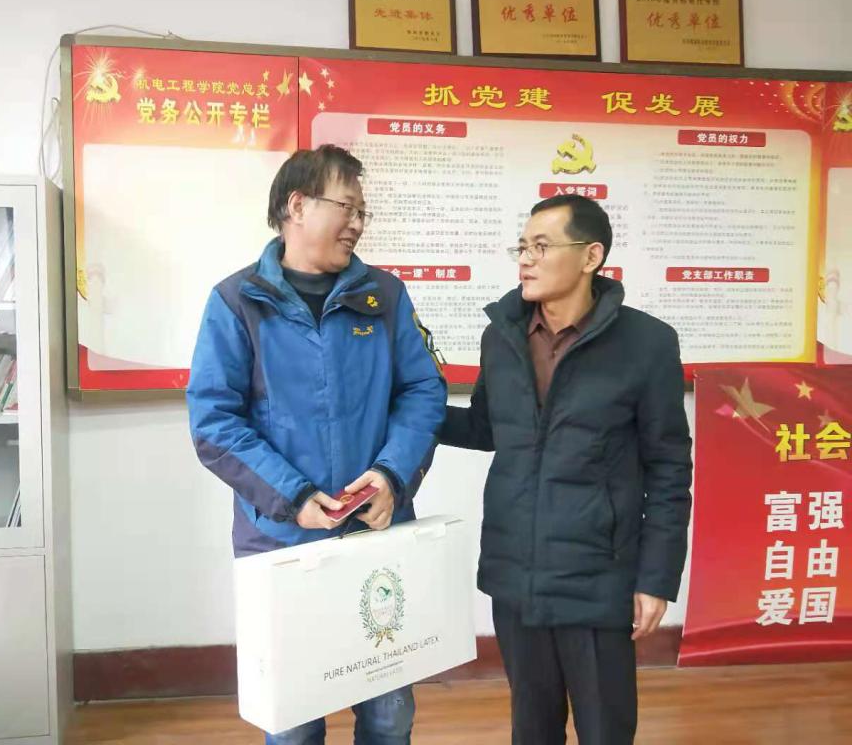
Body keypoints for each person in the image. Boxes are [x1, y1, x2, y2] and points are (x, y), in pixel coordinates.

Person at [187, 144, 447, 745]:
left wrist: (392, 476)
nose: (357, 223)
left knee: (388, 717)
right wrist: (295, 496)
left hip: (376, 539)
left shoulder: (384, 297)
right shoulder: (237, 302)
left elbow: (422, 392)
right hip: (281, 545)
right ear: (297, 206)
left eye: (362, 212)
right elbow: (214, 422)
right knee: (293, 721)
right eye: (346, 207)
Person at [440, 194, 693, 745]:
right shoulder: (502, 335)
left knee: (605, 729)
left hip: (597, 575)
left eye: (541, 246)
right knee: (532, 728)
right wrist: (413, 409)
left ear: (591, 256)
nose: (525, 259)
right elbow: (486, 429)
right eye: (522, 247)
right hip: (516, 572)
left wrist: (656, 578)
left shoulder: (646, 344)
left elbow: (669, 469)